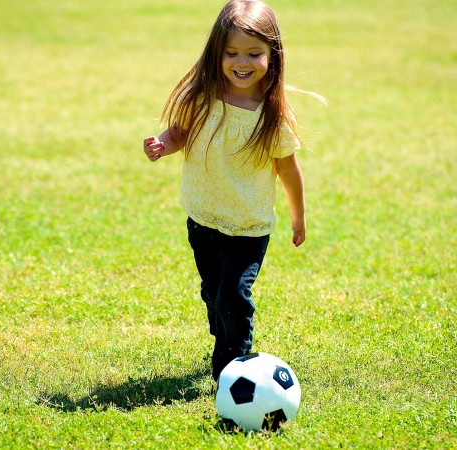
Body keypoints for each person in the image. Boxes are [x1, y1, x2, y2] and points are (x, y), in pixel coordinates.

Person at [142, 0, 314, 381]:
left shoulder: (272, 116)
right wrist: (162, 145)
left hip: (248, 228)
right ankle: (225, 340)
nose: (242, 62)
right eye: (232, 52)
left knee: (232, 298)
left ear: (273, 55)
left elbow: (288, 169)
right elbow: (180, 132)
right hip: (202, 219)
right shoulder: (201, 98)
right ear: (216, 52)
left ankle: (234, 370)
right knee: (213, 295)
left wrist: (298, 217)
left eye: (255, 53)